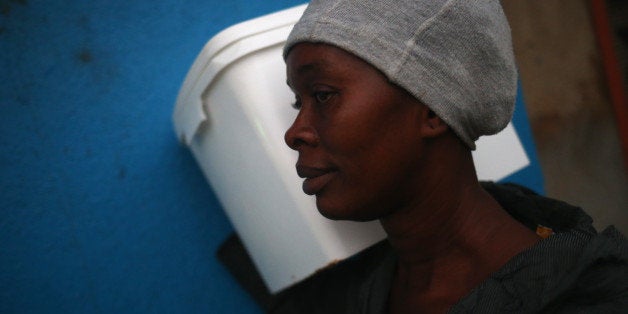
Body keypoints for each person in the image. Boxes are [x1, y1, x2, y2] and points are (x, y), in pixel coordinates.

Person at [271, 0, 628, 313]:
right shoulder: (341, 295)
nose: (294, 133)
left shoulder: (590, 298)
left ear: (431, 108)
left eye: (321, 96)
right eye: (297, 102)